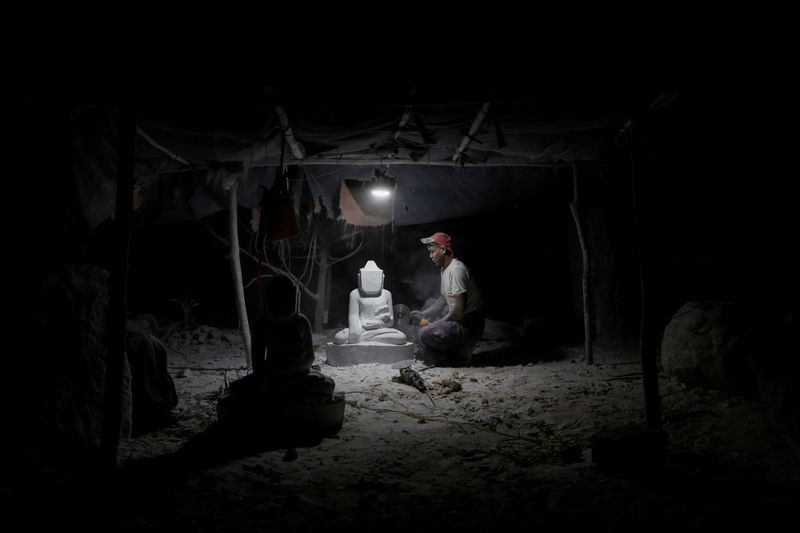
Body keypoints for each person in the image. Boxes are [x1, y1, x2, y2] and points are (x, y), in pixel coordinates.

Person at [412, 232, 484, 365]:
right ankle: (444, 343)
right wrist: (424, 314)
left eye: (432, 252)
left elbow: (458, 311)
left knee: (424, 333)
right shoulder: (445, 268)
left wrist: (434, 325)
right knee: (430, 304)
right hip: (462, 318)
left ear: (443, 249)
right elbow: (443, 299)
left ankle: (457, 354)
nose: (430, 256)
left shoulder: (456, 271)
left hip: (469, 326)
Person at [333, 260, 407, 345]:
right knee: (340, 338)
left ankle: (365, 339)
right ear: (359, 278)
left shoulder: (386, 294)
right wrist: (361, 327)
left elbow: (391, 321)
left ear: (382, 278)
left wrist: (379, 324)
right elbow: (353, 317)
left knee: (401, 337)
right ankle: (368, 338)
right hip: (361, 329)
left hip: (381, 330)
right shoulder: (355, 294)